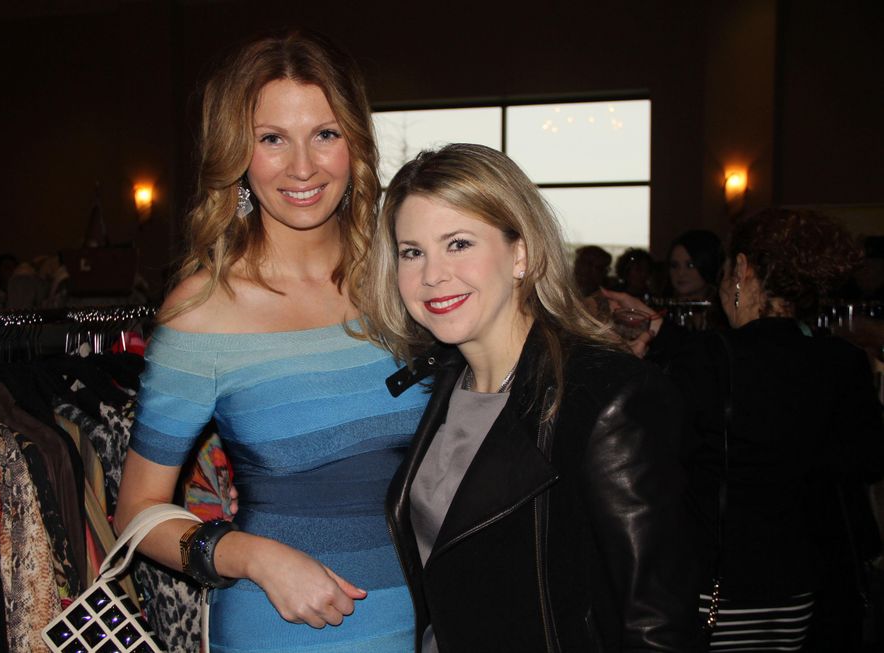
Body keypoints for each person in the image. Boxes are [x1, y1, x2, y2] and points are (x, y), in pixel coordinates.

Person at [114, 29, 429, 652]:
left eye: (325, 134)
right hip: (281, 629)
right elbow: (136, 512)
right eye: (272, 139)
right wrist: (253, 556)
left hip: (431, 618)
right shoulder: (203, 313)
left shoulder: (404, 281)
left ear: (355, 144)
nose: (303, 167)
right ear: (238, 153)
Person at [357, 143, 700, 652]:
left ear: (520, 254)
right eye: (412, 252)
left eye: (458, 244)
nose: (431, 275)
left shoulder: (607, 398)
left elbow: (658, 625)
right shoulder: (438, 387)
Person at [606, 208, 884, 651]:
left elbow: (654, 461)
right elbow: (865, 459)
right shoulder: (841, 361)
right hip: (797, 584)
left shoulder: (705, 361)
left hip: (714, 582)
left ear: (742, 269)